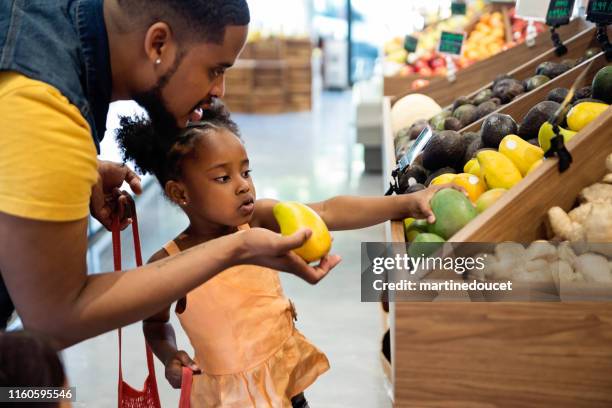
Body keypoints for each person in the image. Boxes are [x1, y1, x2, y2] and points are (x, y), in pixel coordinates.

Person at [0, 0, 338, 349]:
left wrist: (74, 171)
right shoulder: (45, 107)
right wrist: (236, 248)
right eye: (215, 70)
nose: (219, 90)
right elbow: (54, 318)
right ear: (158, 44)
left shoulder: (44, 27)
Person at [115, 103, 461, 407]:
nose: (243, 185)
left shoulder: (257, 221)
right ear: (181, 193)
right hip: (224, 397)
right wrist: (169, 356)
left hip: (284, 380)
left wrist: (405, 202)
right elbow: (156, 322)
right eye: (223, 177)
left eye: (246, 172)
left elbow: (327, 210)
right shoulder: (169, 262)